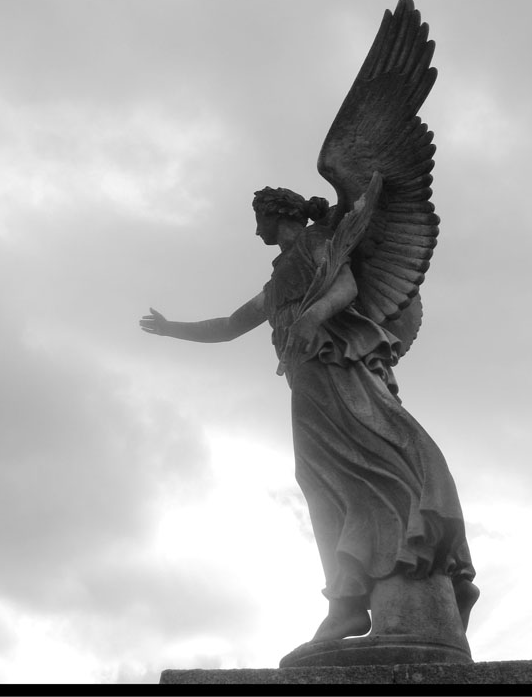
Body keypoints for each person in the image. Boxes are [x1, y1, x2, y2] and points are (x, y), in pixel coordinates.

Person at [140, 186, 478, 644]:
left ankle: (369, 595)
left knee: (377, 460)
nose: (255, 229)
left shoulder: (317, 242)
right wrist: (170, 329)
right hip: (309, 379)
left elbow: (346, 286)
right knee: (323, 479)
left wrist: (311, 317)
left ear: (275, 213)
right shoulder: (278, 280)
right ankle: (349, 597)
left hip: (336, 363)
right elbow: (229, 326)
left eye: (258, 217)